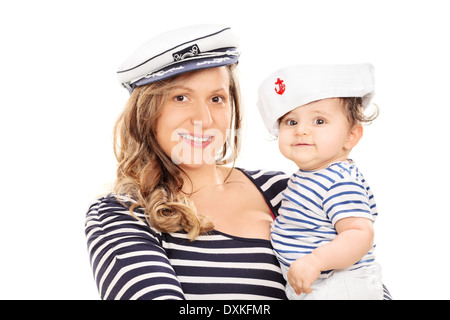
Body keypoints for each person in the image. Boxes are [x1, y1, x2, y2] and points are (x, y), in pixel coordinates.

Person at [85, 24, 290, 300]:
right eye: (180, 98)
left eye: (217, 98)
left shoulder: (283, 190)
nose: (204, 119)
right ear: (146, 113)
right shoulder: (123, 213)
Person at [257, 64, 384, 299]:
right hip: (313, 283)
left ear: (351, 136)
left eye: (319, 121)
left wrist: (316, 260)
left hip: (339, 284)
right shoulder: (308, 177)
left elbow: (359, 234)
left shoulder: (339, 181)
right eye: (291, 122)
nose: (301, 130)